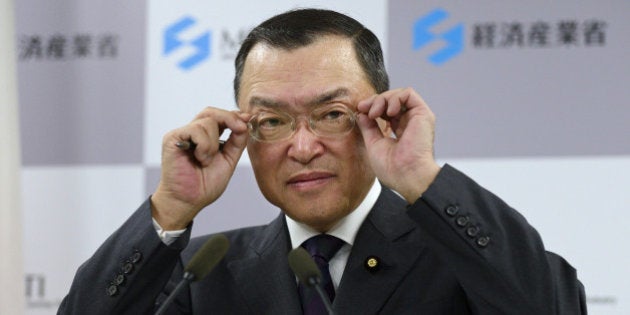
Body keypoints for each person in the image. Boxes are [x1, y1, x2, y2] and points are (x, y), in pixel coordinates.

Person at [58, 8, 586, 314]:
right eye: (272, 122)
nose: (303, 146)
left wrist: (422, 179)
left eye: (332, 115)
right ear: (241, 130)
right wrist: (170, 207)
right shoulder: (204, 274)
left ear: (380, 113)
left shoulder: (455, 253)